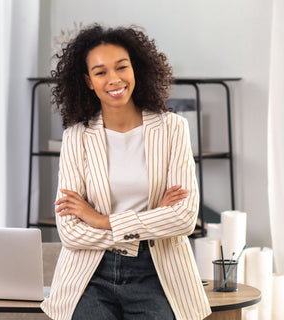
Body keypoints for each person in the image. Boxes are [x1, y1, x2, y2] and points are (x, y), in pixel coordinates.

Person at [40, 24, 212, 320]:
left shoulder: (173, 129)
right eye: (100, 72)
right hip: (89, 274)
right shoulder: (76, 137)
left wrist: (100, 220)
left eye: (122, 67)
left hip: (158, 271)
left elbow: (184, 218)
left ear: (136, 69)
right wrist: (150, 222)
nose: (114, 79)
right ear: (88, 81)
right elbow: (69, 232)